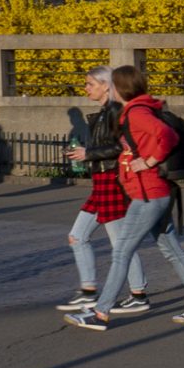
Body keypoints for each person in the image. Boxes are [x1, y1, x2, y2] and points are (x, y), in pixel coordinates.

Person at [61, 63, 184, 329]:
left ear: (119, 88)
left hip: (148, 194)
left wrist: (149, 161)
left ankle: (100, 313)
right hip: (153, 192)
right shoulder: (140, 110)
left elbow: (166, 136)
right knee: (172, 251)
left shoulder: (137, 113)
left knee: (121, 252)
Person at [58, 65, 151, 313]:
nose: (86, 88)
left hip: (112, 179)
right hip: (102, 180)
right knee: (77, 236)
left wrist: (87, 153)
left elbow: (121, 147)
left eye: (90, 84)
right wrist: (86, 154)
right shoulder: (105, 112)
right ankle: (89, 290)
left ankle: (138, 294)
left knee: (121, 242)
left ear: (106, 85)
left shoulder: (115, 111)